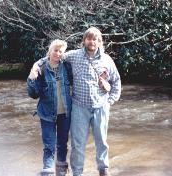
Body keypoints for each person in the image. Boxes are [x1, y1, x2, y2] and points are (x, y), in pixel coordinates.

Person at [32, 27, 121, 176]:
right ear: (84, 40)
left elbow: (116, 82)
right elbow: (54, 56)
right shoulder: (74, 56)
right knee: (77, 145)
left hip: (101, 107)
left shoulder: (107, 59)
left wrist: (110, 101)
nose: (92, 42)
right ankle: (77, 173)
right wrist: (36, 65)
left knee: (102, 142)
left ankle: (103, 169)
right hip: (79, 107)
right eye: (89, 38)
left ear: (99, 42)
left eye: (95, 39)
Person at [27, 39, 72, 176]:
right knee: (49, 146)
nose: (58, 54)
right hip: (47, 114)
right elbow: (33, 94)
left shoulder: (66, 66)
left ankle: (61, 171)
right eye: (55, 50)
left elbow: (75, 81)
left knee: (63, 144)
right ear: (50, 51)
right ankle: (48, 172)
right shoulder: (41, 68)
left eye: (60, 51)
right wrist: (31, 78)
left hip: (65, 113)